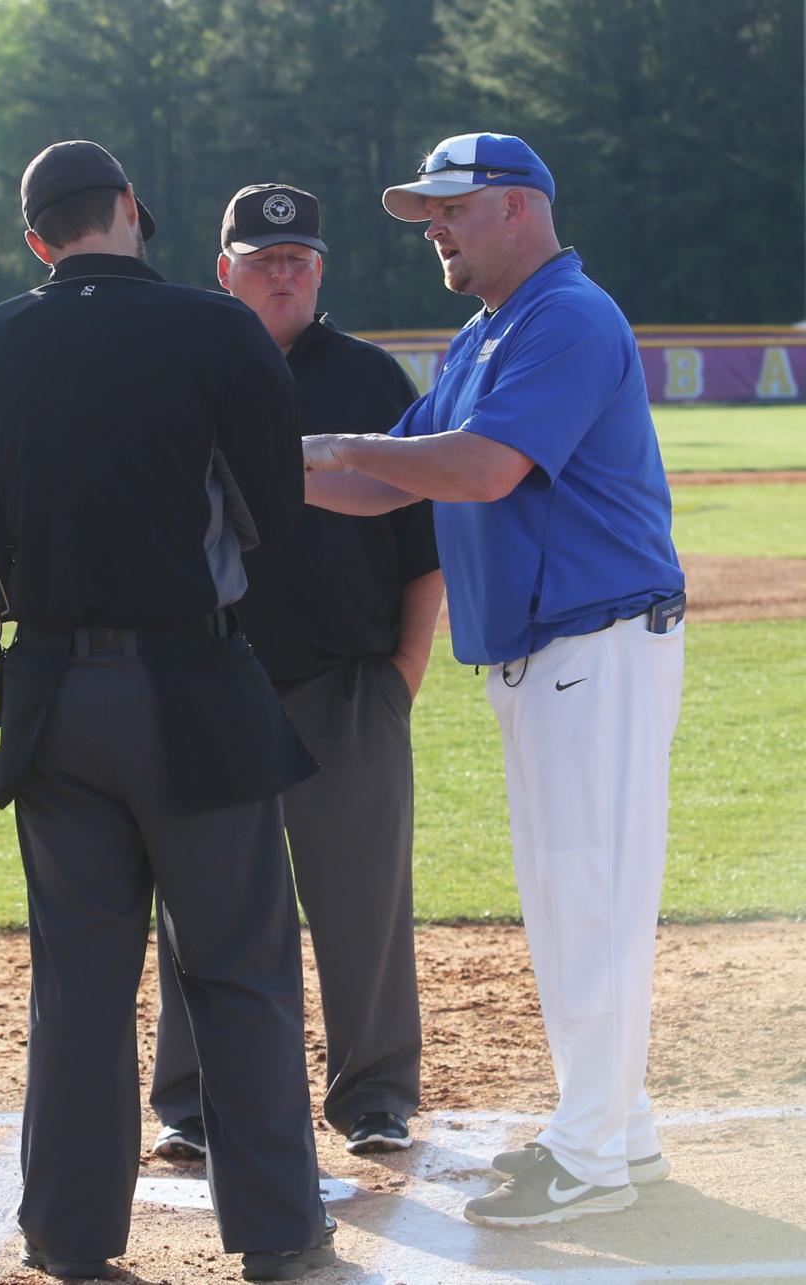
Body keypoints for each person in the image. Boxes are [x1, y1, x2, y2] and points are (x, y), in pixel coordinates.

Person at [0, 140, 334, 1282]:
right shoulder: (219, 327)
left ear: (36, 239)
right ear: (133, 213)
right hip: (197, 687)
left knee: (80, 980)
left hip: (51, 696)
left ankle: (68, 1233)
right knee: (238, 967)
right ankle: (277, 1231)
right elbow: (273, 511)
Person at [302, 132, 685, 1228]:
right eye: (427, 212)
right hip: (548, 654)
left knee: (589, 898)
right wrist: (270, 474)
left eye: (450, 208)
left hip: (593, 643)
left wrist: (336, 447)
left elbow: (480, 469)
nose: (433, 228)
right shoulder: (489, 331)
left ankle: (593, 1159)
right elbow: (391, 485)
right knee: (570, 898)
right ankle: (615, 1130)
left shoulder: (566, 317)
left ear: (518, 206)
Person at [149, 184, 444, 1163]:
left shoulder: (371, 378)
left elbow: (425, 542)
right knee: (203, 899)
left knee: (362, 903)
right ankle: (194, 1099)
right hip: (210, 676)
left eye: (299, 259)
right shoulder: (182, 369)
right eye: (263, 259)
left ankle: (374, 1094)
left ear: (319, 270)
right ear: (224, 270)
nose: (283, 274)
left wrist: (402, 670)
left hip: (347, 682)